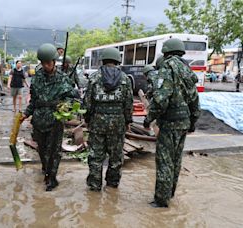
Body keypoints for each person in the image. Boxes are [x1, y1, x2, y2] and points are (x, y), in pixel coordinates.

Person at [143, 38, 200, 207]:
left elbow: (161, 99)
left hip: (169, 123)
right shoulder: (186, 69)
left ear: (166, 51)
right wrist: (193, 121)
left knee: (164, 160)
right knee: (176, 160)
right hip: (184, 123)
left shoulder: (167, 67)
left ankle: (161, 200)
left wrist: (149, 118)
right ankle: (170, 193)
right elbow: (195, 99)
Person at [21, 43, 76, 191]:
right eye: (43, 63)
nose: (46, 66)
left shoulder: (63, 78)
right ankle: (46, 168)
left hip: (55, 119)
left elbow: (71, 98)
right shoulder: (37, 77)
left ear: (54, 62)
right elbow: (33, 100)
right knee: (42, 149)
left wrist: (66, 107)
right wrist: (26, 114)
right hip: (39, 120)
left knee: (54, 150)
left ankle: (52, 178)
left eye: (48, 63)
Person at [83, 47, 133, 191]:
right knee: (116, 155)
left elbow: (87, 102)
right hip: (118, 122)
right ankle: (112, 184)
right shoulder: (125, 78)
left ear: (103, 60)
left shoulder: (94, 77)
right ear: (117, 60)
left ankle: (94, 185)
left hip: (97, 121)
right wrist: (128, 121)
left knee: (95, 155)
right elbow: (128, 103)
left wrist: (87, 118)